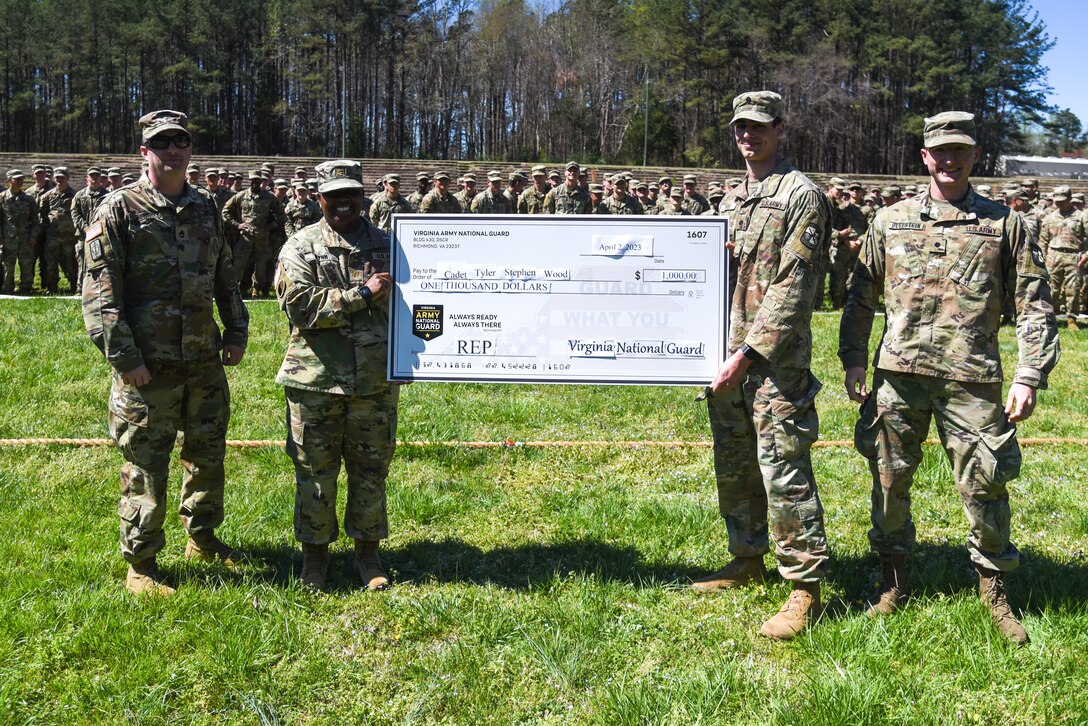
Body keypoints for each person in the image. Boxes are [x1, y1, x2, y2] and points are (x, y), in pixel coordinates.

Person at [839, 112, 1059, 645]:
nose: (949, 160)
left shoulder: (1004, 224)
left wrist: (1029, 374)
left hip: (972, 378)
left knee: (985, 482)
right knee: (889, 480)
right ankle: (892, 577)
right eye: (940, 151)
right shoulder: (890, 221)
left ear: (974, 156)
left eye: (960, 150)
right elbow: (860, 296)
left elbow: (1034, 304)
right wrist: (852, 359)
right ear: (925, 157)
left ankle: (993, 587)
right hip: (899, 375)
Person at [80, 110, 249, 596]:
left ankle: (202, 537)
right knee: (145, 464)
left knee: (207, 454)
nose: (172, 150)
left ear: (191, 149)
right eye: (161, 143)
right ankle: (142, 563)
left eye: (180, 141)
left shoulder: (207, 207)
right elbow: (99, 293)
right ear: (144, 152)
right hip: (147, 368)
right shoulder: (118, 209)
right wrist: (124, 357)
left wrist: (235, 331)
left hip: (202, 361)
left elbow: (225, 276)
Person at [692, 91, 832, 641]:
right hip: (720, 357)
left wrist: (745, 355)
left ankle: (804, 586)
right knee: (735, 462)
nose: (747, 137)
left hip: (772, 363)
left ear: (780, 130)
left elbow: (794, 290)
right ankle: (746, 557)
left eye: (758, 127)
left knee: (784, 471)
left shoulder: (802, 196)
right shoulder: (729, 201)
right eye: (739, 129)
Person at [274, 160, 399, 591]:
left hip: (375, 381)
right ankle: (315, 559)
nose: (344, 203)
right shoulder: (299, 246)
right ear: (319, 198)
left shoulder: (390, 245)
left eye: (352, 194)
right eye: (334, 195)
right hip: (316, 380)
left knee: (370, 470)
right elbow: (299, 306)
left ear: (362, 196)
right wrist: (362, 295)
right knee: (315, 472)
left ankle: (368, 555)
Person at [221, 170, 288, 297]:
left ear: (261, 182)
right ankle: (235, 288)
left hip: (262, 237)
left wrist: (270, 226)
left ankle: (257, 289)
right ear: (249, 181)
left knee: (261, 265)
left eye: (257, 181)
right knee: (239, 264)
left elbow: (281, 214)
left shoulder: (269, 197)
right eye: (252, 181)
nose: (255, 184)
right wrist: (238, 225)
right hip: (245, 236)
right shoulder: (241, 196)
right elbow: (225, 211)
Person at [1037, 185, 1087, 329]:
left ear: (1070, 199)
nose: (1059, 203)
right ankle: (1049, 317)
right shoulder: (1049, 218)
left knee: (1074, 289)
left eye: (1062, 200)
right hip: (1053, 256)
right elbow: (1043, 241)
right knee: (1051, 288)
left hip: (1074, 255)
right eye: (1057, 200)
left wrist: (1086, 255)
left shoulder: (1082, 217)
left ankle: (1072, 319)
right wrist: (1042, 259)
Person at [38, 167, 78, 293]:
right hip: (53, 236)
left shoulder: (75, 195)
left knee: (71, 262)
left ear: (67, 178)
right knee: (51, 261)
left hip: (69, 236)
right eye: (57, 178)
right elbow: (43, 214)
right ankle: (52, 287)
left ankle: (74, 286)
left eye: (62, 177)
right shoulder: (47, 196)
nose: (59, 180)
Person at [0, 169, 41, 295]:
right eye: (17, 179)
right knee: (8, 265)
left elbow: (35, 219)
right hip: (8, 238)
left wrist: (33, 236)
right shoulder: (2, 198)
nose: (20, 181)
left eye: (21, 179)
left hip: (25, 238)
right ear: (9, 181)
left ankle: (26, 288)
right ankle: (7, 289)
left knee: (26, 264)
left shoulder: (28, 198)